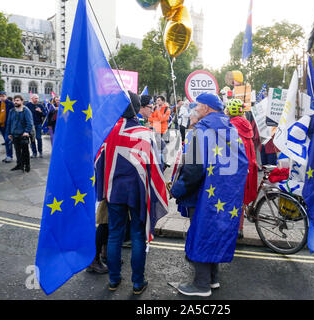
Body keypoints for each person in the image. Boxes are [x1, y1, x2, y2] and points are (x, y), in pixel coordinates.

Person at [170, 93, 249, 297]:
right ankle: (213, 279)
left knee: (201, 233)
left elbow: (194, 169)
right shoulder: (232, 130)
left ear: (206, 108)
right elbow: (243, 164)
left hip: (203, 193)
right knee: (214, 231)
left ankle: (201, 285)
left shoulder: (200, 132)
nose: (194, 109)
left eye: (197, 106)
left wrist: (177, 189)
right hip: (224, 195)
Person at [95, 91, 168, 295]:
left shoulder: (108, 131)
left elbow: (98, 162)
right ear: (137, 108)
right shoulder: (144, 134)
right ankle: (137, 283)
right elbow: (156, 165)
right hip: (137, 192)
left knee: (115, 234)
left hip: (114, 191)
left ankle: (113, 280)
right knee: (137, 235)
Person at [225, 99, 258, 239]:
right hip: (249, 166)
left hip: (237, 168)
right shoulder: (246, 125)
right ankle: (240, 228)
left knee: (234, 198)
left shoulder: (231, 126)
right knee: (242, 198)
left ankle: (233, 228)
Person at [6, 95, 34, 173]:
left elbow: (30, 123)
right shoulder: (11, 111)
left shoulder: (26, 110)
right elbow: (9, 122)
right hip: (14, 134)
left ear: (22, 101)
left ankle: (27, 165)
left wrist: (26, 132)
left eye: (18, 100)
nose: (15, 102)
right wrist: (9, 133)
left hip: (23, 135)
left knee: (25, 151)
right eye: (15, 100)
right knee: (17, 151)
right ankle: (19, 165)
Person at [0, 92, 14, 163]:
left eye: (3, 96)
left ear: (6, 96)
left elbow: (13, 115)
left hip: (8, 126)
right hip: (1, 126)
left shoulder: (10, 104)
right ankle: (8, 155)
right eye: (0, 96)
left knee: (7, 140)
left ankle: (9, 156)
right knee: (6, 141)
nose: (2, 97)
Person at [26, 94, 47, 158]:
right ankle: (34, 152)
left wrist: (40, 111)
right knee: (32, 139)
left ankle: (40, 152)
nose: (37, 100)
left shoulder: (40, 105)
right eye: (35, 98)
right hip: (31, 125)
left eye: (37, 98)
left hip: (38, 124)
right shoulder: (28, 105)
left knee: (39, 138)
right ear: (31, 98)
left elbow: (45, 114)